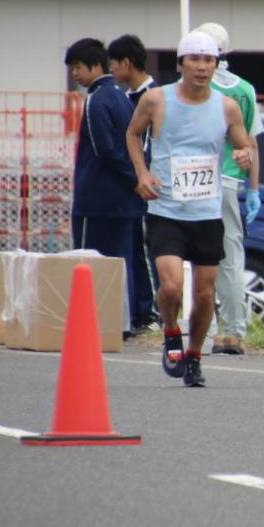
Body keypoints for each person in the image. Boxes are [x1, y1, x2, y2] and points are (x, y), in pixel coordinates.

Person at [126, 31, 253, 388]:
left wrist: (244, 156)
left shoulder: (226, 106)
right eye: (194, 60)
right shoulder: (156, 100)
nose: (201, 67)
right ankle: (170, 332)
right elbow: (133, 134)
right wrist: (142, 173)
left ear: (216, 64)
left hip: (207, 212)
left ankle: (194, 356)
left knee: (203, 293)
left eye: (208, 60)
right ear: (180, 64)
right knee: (171, 287)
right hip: (166, 208)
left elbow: (245, 148)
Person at [65, 38, 147, 339]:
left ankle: (98, 322)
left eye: (77, 66)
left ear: (95, 66)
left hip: (97, 199)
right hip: (124, 199)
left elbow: (105, 149)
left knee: (91, 261)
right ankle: (123, 321)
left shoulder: (96, 100)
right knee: (122, 260)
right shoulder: (122, 98)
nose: (74, 73)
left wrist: (134, 178)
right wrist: (138, 179)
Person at [192, 22, 262, 356]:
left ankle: (196, 331)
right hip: (230, 184)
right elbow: (251, 145)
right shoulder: (245, 90)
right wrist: (255, 188)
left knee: (190, 257)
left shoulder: (190, 87)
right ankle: (232, 332)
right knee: (231, 259)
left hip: (190, 180)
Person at [107, 33, 159, 333]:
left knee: (149, 248)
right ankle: (142, 309)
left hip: (150, 187)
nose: (113, 71)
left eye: (114, 65)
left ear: (127, 63)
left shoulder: (155, 95)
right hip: (132, 187)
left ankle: (149, 311)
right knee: (137, 248)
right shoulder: (125, 98)